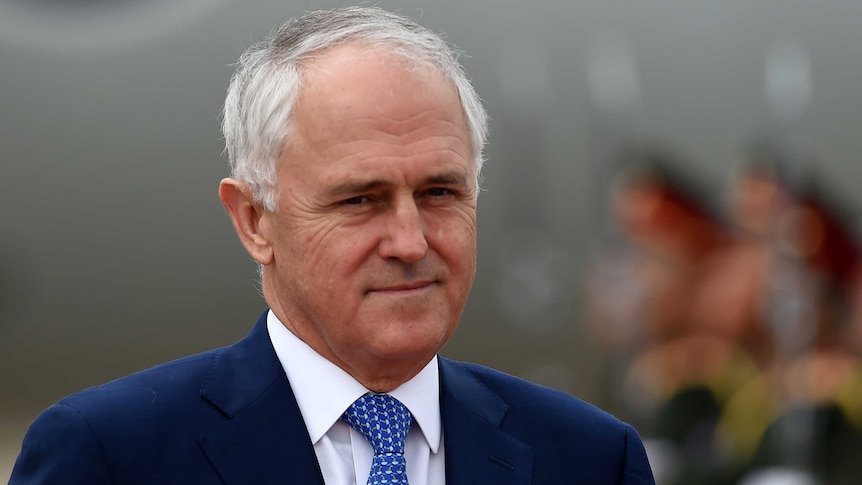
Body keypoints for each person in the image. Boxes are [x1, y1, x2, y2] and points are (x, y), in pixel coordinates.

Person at [10, 7, 655, 484]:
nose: (410, 242)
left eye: (439, 193)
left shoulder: (590, 459)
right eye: (359, 200)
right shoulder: (112, 457)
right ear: (255, 222)